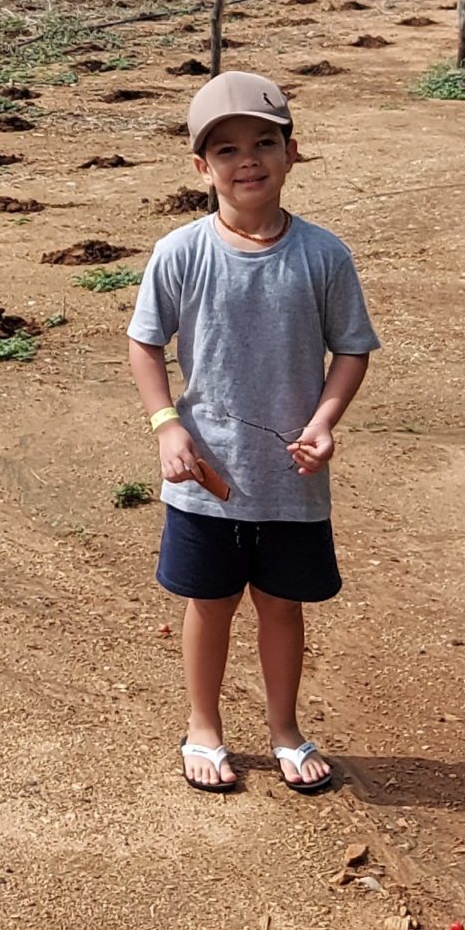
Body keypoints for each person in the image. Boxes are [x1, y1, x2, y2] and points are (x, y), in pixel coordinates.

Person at [126, 70, 378, 795]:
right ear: (201, 168)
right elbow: (144, 343)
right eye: (227, 149)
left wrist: (325, 423)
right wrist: (166, 425)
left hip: (292, 478)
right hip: (203, 476)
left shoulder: (323, 255)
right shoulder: (181, 252)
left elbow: (351, 349)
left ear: (292, 152)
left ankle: (285, 730)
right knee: (208, 604)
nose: (248, 161)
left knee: (281, 605)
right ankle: (202, 726)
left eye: (265, 142)